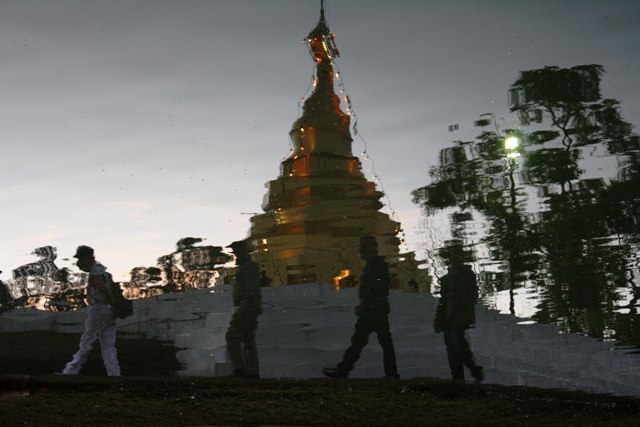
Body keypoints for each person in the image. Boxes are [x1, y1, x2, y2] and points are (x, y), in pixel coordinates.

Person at [323, 236, 399, 379]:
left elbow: (378, 290)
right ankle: (345, 369)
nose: (361, 251)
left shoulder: (377, 266)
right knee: (365, 341)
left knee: (369, 341)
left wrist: (366, 305)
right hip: (373, 310)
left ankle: (345, 370)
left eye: (363, 248)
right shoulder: (373, 266)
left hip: (374, 310)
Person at [61, 245, 121, 376]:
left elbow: (102, 287)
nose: (79, 263)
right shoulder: (103, 271)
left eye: (80, 259)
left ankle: (70, 372)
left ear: (87, 259)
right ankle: (114, 374)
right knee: (108, 344)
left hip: (99, 309)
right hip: (109, 310)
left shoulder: (95, 271)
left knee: (87, 341)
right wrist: (114, 306)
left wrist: (111, 302)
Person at [433, 243, 483, 383]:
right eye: (453, 254)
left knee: (456, 342)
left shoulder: (466, 274)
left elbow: (472, 295)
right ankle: (461, 375)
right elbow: (444, 299)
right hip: (448, 315)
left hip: (458, 315)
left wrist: (466, 312)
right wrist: (439, 317)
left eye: (456, 254)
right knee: (452, 345)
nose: (454, 257)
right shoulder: (448, 277)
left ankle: (469, 370)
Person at [225, 240, 262, 378]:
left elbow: (251, 289)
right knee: (248, 338)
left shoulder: (248, 267)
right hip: (250, 304)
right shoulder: (247, 266)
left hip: (248, 305)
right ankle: (252, 371)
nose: (235, 254)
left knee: (232, 335)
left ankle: (240, 369)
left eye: (236, 251)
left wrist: (246, 305)